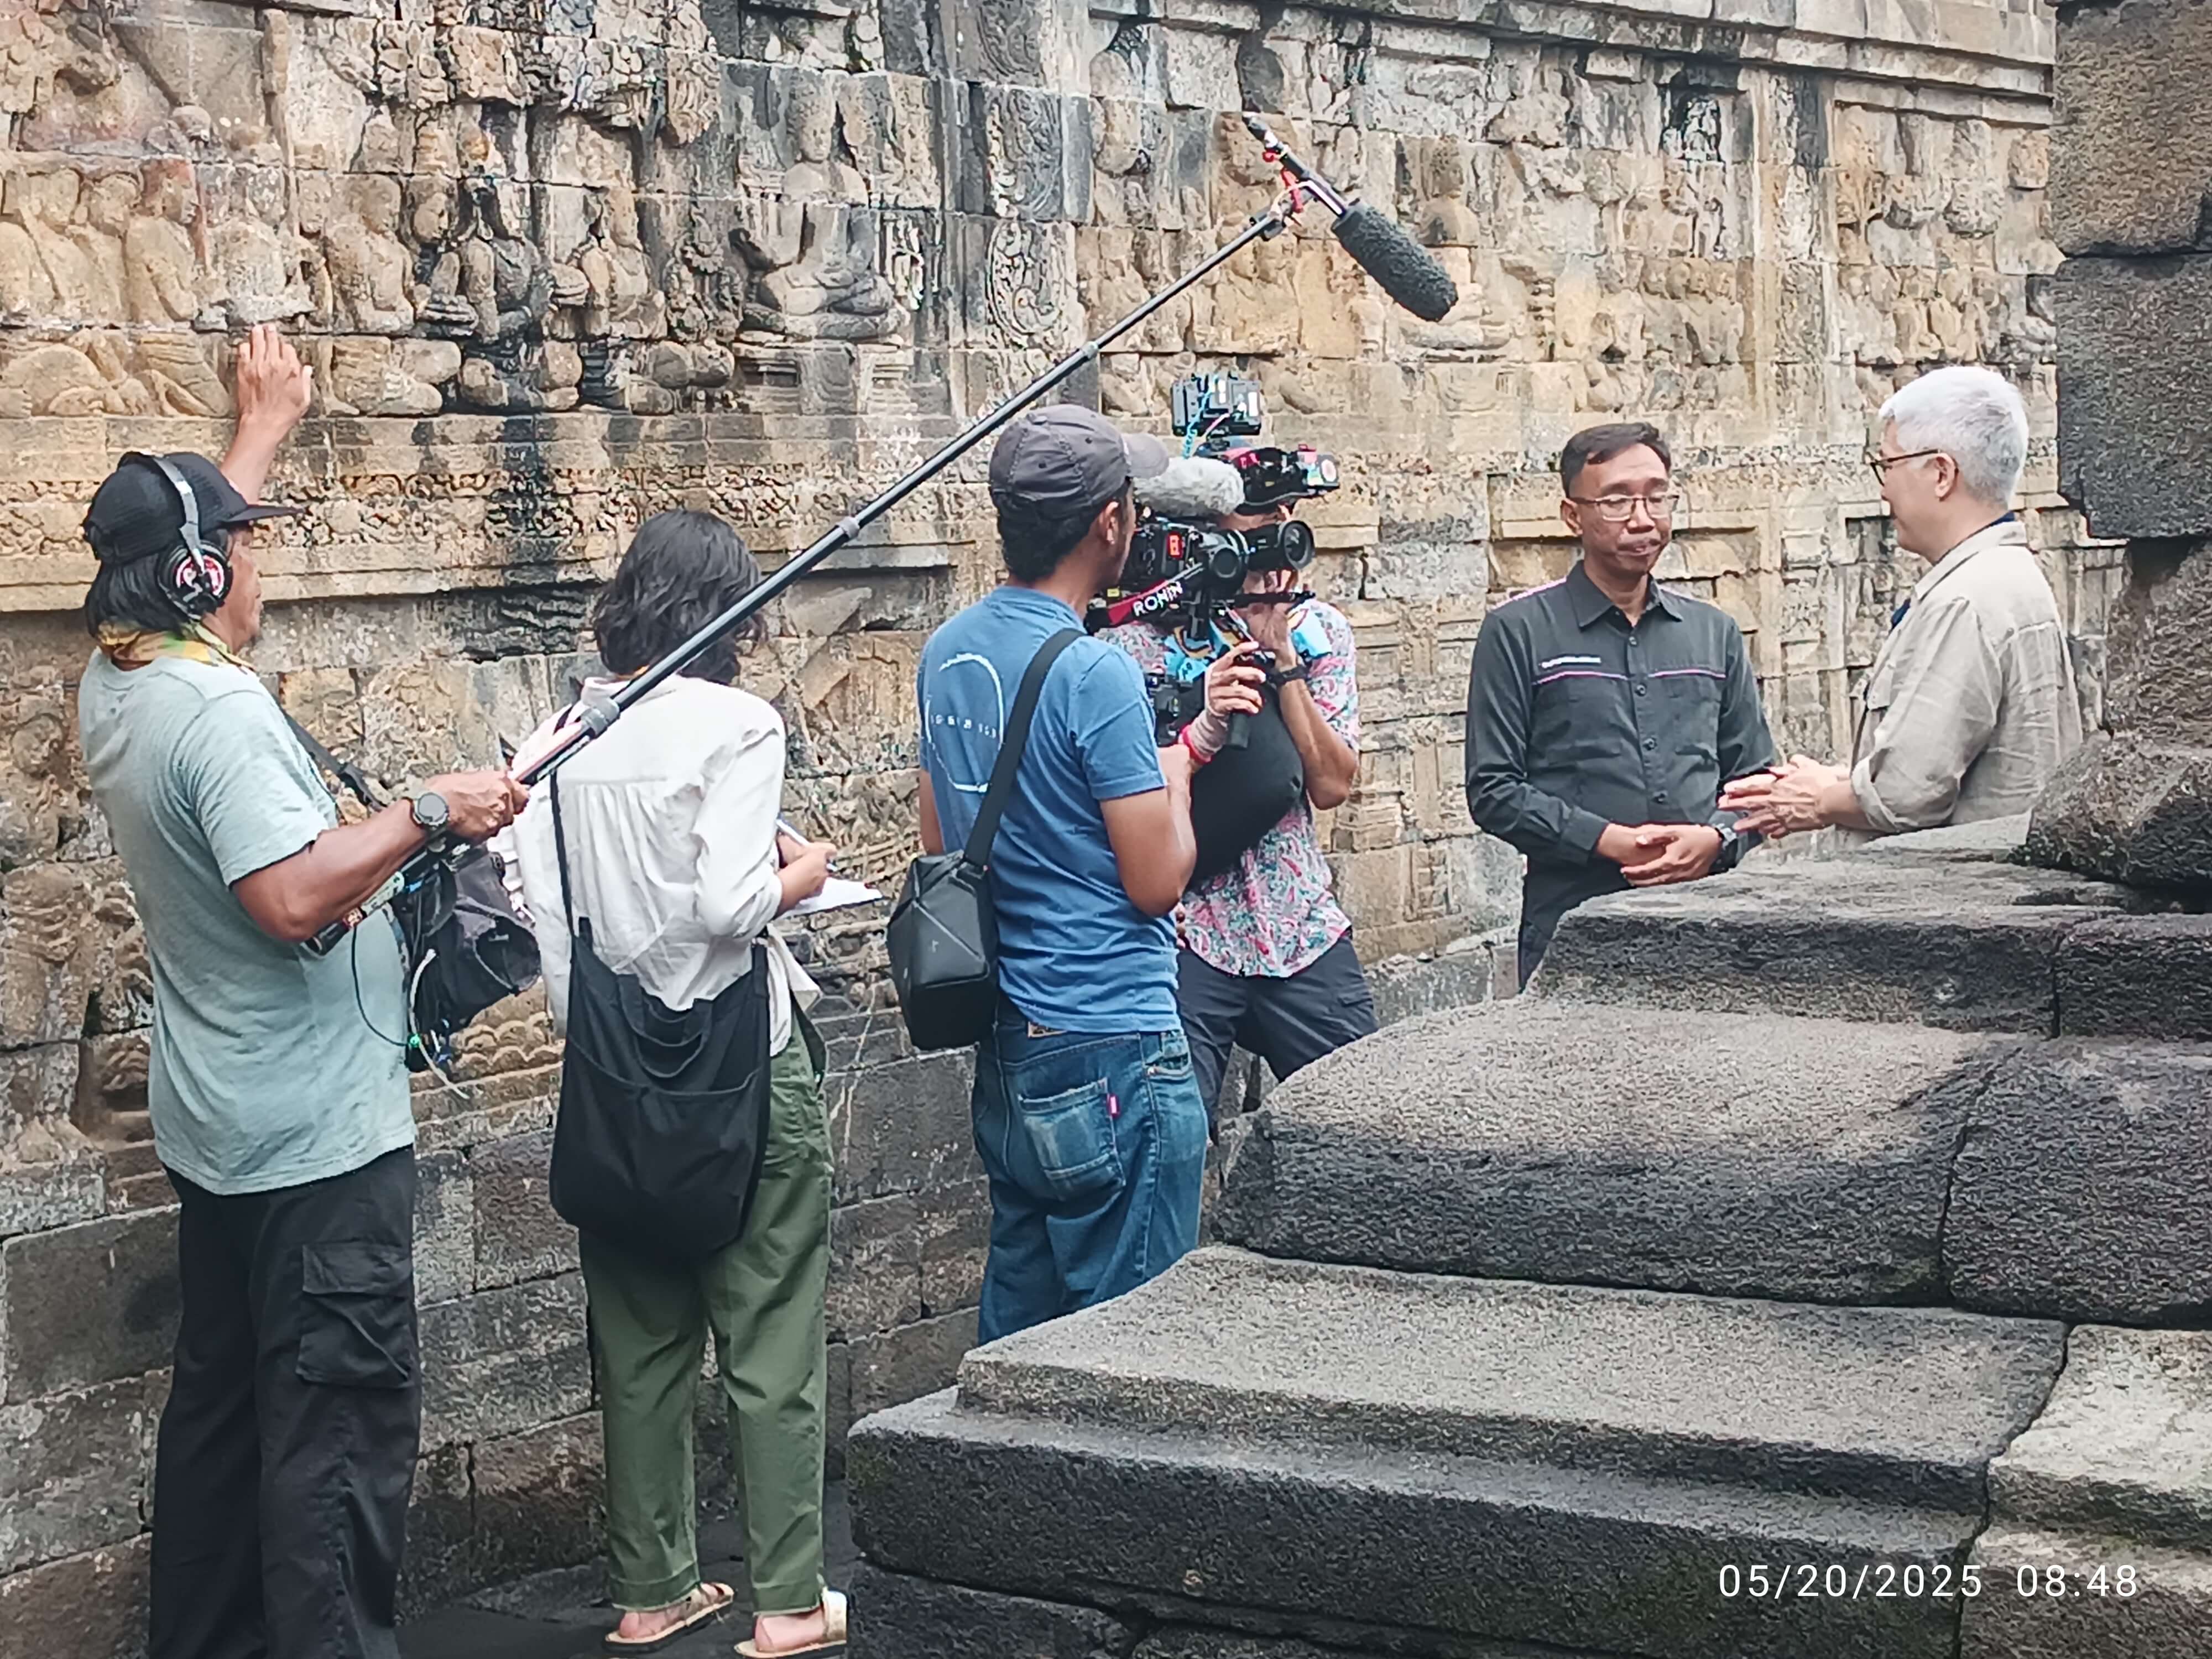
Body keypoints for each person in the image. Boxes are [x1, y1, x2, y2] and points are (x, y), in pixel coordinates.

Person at [76, 324, 527, 1659]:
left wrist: (257, 435)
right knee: (336, 1449)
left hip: (224, 1130)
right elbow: (286, 897)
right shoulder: (216, 719)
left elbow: (183, 561)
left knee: (222, 1429)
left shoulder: (122, 677)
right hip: (317, 1149)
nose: (258, 567)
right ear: (202, 574)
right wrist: (428, 810)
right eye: (244, 547)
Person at [497, 512, 846, 1659]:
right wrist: (806, 872)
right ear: (728, 614)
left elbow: (547, 921)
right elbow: (730, 905)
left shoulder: (557, 740)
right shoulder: (737, 725)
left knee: (640, 1344)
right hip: (739, 1065)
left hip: (607, 1071)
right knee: (770, 1336)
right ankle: (788, 1603)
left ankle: (651, 1592)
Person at [914, 403, 1210, 1344]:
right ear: (1110, 523)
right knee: (1129, 1352)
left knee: (1021, 1344)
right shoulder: (1096, 673)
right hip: (1112, 1035)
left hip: (1012, 1044)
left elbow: (940, 839)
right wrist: (1178, 776)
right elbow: (1156, 883)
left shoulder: (946, 651)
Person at [1096, 450, 1376, 1120]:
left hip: (1297, 921)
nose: (1267, 554)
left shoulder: (1319, 631)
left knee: (1364, 1115)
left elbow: (1332, 784)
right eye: (1248, 535)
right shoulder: (1128, 645)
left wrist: (1281, 658)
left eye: (1279, 529)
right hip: (1189, 929)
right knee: (1172, 1131)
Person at [1465, 420, 1775, 984]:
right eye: (1616, 501)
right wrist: (1609, 842)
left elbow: (1754, 779)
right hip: (1575, 926)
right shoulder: (1518, 632)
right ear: (1572, 515)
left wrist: (1716, 839)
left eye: (1657, 497)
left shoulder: (1713, 633)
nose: (1642, 518)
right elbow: (1493, 791)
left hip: (1708, 920)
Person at [1720, 367, 2082, 844]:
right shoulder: (2005, 575)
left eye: (1888, 465)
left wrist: (1818, 801)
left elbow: (1907, 793)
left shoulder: (1966, 600)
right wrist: (1833, 782)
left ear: (1941, 474)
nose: (1883, 487)